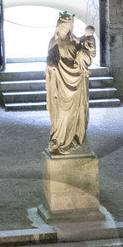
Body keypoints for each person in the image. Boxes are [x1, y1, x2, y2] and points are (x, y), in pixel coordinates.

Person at [45, 12, 96, 155]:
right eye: (64, 27)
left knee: (76, 112)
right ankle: (58, 139)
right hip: (61, 81)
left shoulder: (76, 41)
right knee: (62, 113)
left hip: (77, 80)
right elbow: (50, 57)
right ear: (59, 27)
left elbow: (88, 56)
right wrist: (51, 65)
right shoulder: (54, 42)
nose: (66, 30)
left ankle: (74, 137)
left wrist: (90, 44)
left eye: (69, 27)